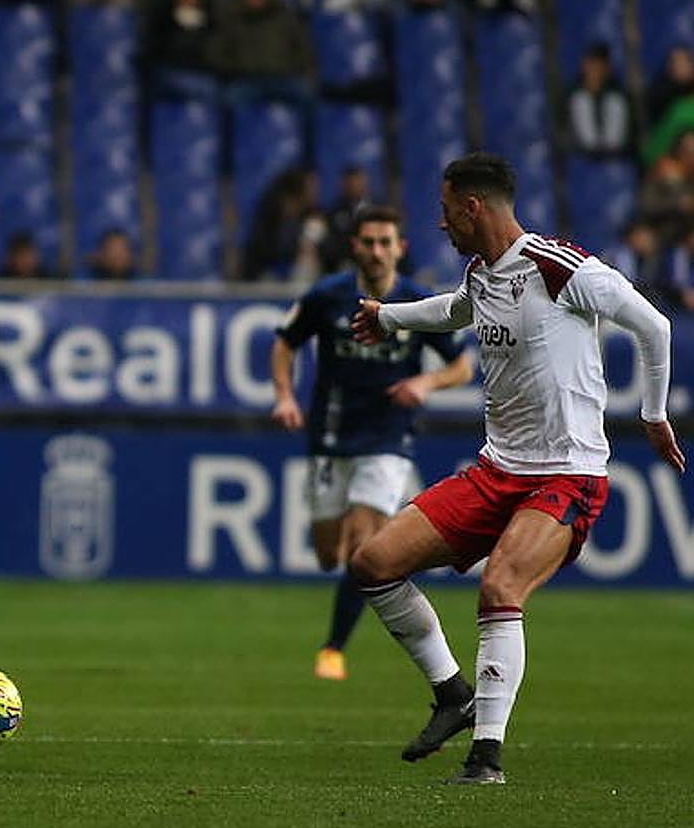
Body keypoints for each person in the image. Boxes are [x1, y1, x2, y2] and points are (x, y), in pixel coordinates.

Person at [348, 152, 685, 785]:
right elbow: (455, 310)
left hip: (567, 473)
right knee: (373, 564)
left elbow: (654, 326)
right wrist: (388, 316)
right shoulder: (481, 273)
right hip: (496, 470)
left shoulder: (561, 268)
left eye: (447, 211)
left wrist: (653, 413)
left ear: (473, 207)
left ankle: (486, 757)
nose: (442, 223)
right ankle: (453, 693)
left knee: (500, 589)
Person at [271, 205, 473, 682]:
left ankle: (332, 649)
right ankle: (338, 612)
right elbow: (285, 343)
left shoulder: (416, 302)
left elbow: (462, 366)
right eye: (369, 242)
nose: (377, 251)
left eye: (386, 242)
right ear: (354, 247)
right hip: (330, 433)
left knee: (364, 547)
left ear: (401, 248)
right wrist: (284, 395)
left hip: (387, 437)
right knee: (329, 554)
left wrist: (425, 383)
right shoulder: (327, 296)